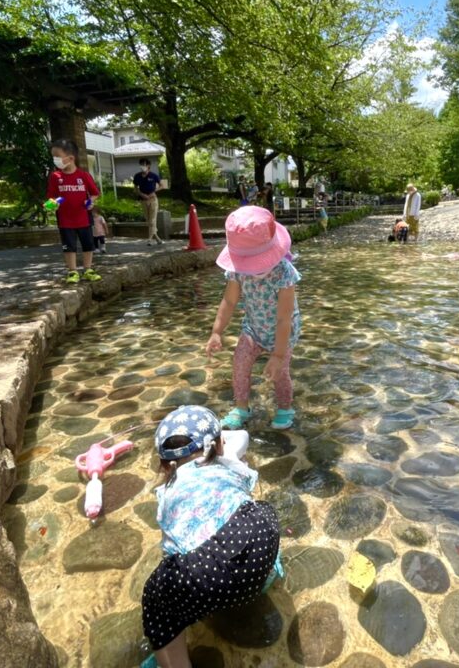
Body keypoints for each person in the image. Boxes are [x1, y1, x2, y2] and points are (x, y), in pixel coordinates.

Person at [141, 405, 281, 668]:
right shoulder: (227, 461)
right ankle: (268, 575)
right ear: (219, 446)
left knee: (157, 597)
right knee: (258, 508)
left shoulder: (168, 490)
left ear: (164, 466)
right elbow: (241, 436)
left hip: (212, 571)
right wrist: (217, 441)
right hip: (261, 531)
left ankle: (173, 661)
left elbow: (172, 550)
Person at [206, 206, 301, 431]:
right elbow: (229, 302)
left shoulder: (283, 273)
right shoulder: (238, 270)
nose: (252, 269)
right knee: (239, 362)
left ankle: (285, 407)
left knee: (280, 371)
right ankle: (241, 407)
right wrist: (216, 331)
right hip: (253, 327)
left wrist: (277, 355)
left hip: (283, 330)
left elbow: (283, 319)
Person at [47, 139, 101, 283]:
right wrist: (51, 205)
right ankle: (72, 271)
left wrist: (90, 202)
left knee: (88, 244)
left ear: (70, 158)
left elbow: (95, 193)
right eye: (53, 157)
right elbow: (52, 198)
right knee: (69, 246)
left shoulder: (83, 176)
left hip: (83, 217)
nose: (55, 160)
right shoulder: (55, 177)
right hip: (65, 220)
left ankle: (88, 269)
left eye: (57, 156)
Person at [134, 158, 164, 246]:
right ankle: (157, 238)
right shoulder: (137, 176)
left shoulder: (153, 175)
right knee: (148, 221)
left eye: (144, 164)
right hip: (143, 200)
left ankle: (149, 239)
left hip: (153, 200)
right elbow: (135, 188)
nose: (142, 166)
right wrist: (141, 194)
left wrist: (153, 192)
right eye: (141, 164)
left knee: (152, 220)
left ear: (148, 166)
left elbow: (162, 186)